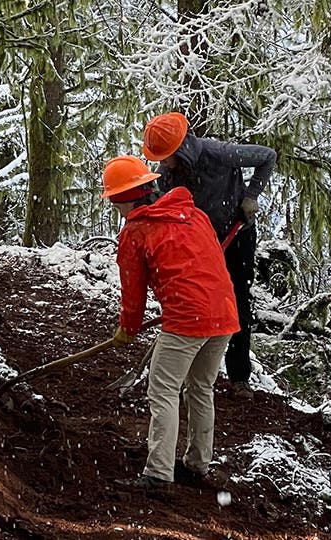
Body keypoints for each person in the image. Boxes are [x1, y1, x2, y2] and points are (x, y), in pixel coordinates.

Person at [102, 155, 239, 491]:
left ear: (124, 198)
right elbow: (206, 267)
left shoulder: (136, 231)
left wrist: (128, 328)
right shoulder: (195, 215)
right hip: (224, 313)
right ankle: (197, 463)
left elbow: (132, 293)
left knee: (162, 390)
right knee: (201, 388)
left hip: (187, 320)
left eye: (114, 201)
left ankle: (159, 474)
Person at [142, 112, 277, 400]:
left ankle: (239, 376)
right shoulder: (168, 175)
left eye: (166, 157)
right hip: (200, 243)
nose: (162, 163)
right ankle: (192, 367)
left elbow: (268, 156)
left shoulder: (221, 154)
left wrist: (250, 197)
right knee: (195, 298)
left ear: (180, 150)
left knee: (236, 299)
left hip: (236, 236)